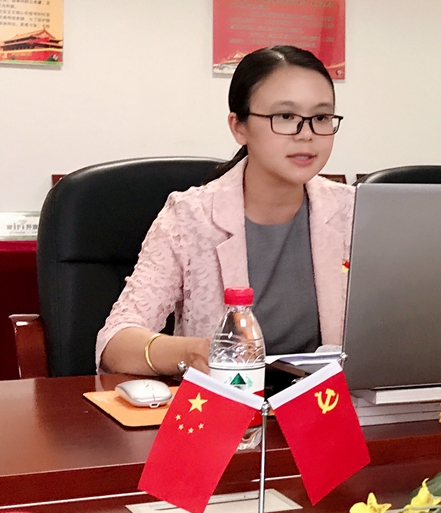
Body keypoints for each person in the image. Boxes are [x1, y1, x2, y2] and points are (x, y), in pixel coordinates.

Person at [96, 45, 354, 376]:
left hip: (331, 402)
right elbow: (115, 344)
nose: (306, 134)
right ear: (238, 127)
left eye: (320, 118)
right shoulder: (189, 217)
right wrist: (191, 353)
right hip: (228, 404)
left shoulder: (354, 212)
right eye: (285, 117)